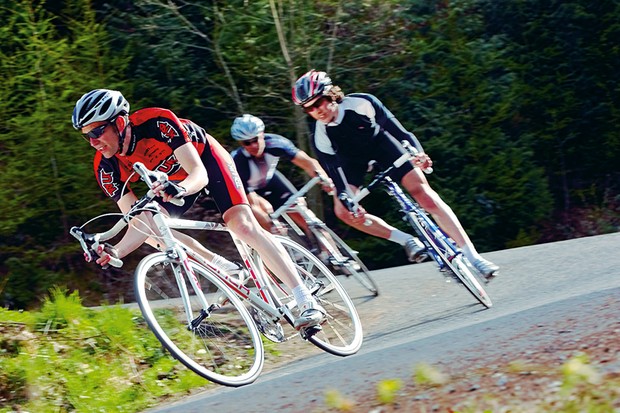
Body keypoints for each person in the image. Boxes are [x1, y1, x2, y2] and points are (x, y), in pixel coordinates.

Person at [72, 89, 325, 330]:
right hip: (170, 182)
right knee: (154, 232)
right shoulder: (106, 167)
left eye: (97, 132)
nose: (93, 142)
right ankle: (223, 267)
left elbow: (198, 174)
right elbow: (138, 221)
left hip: (205, 162)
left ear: (118, 122)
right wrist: (114, 251)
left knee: (241, 226)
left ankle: (306, 300)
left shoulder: (157, 122)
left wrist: (180, 189)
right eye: (87, 136)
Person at [291, 70, 500, 278]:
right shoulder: (321, 136)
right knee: (343, 211)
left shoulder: (362, 103)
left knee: (424, 195)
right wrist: (349, 201)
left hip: (383, 148)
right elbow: (338, 180)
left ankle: (473, 257)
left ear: (330, 94)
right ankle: (406, 240)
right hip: (353, 164)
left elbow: (401, 133)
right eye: (309, 108)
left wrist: (418, 154)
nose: (316, 111)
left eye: (318, 103)